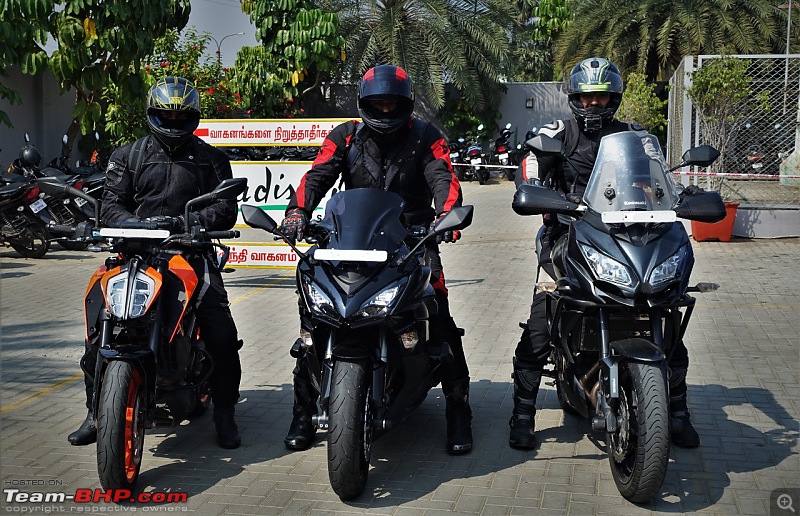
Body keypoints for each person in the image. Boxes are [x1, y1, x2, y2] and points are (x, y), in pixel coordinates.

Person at [280, 64, 473, 455]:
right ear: (364, 104)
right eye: (378, 104)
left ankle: (458, 407)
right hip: (351, 242)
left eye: (392, 104)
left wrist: (445, 218)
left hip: (413, 241)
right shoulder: (345, 135)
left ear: (406, 104)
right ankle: (302, 410)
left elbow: (444, 178)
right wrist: (298, 211)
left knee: (439, 314)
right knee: (313, 320)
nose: (385, 112)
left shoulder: (426, 136)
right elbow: (317, 175)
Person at [510, 57, 701, 450]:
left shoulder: (635, 135)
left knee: (667, 319)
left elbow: (658, 177)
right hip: (567, 237)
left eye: (601, 98)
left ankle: (677, 410)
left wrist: (683, 194)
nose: (593, 105)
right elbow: (530, 162)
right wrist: (533, 185)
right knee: (540, 325)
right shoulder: (558, 133)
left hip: (625, 237)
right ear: (574, 98)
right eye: (586, 98)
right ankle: (523, 414)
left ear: (614, 98)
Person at [67, 76, 243, 450]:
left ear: (193, 117)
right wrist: (136, 224)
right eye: (167, 116)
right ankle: (94, 413)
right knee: (97, 329)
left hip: (190, 253)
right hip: (134, 251)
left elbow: (225, 208)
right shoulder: (127, 156)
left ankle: (225, 413)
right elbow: (112, 203)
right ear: (152, 114)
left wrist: (186, 224)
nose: (175, 124)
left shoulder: (212, 159)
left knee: (222, 334)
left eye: (183, 118)